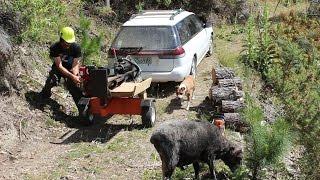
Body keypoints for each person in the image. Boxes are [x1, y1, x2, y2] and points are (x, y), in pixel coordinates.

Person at [40, 26, 83, 115]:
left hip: (70, 68)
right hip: (58, 68)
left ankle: (83, 112)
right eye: (66, 43)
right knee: (51, 81)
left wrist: (75, 76)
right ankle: (44, 95)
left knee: (75, 88)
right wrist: (72, 76)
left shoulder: (76, 48)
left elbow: (75, 64)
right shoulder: (55, 47)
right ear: (61, 39)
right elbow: (59, 65)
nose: (68, 45)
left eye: (70, 43)